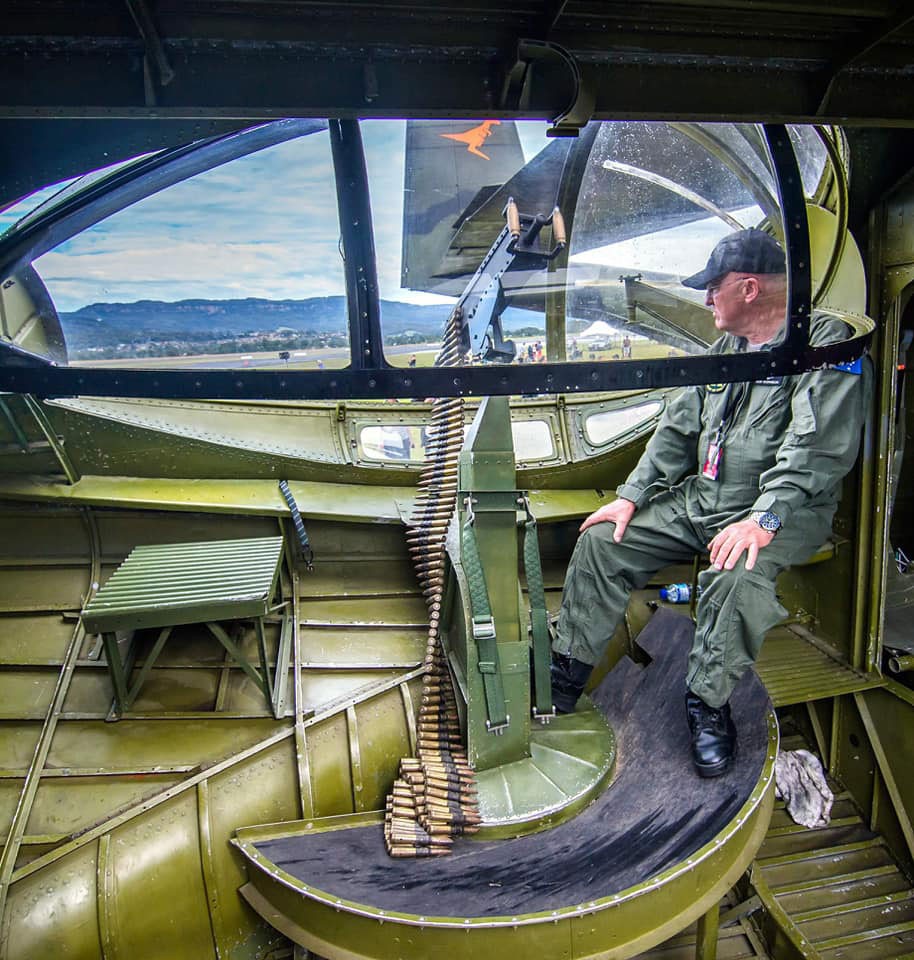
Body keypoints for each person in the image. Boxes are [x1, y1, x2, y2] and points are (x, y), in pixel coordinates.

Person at [550, 228, 870, 777]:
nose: (705, 300)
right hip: (704, 499)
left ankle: (707, 703)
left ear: (748, 288)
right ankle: (565, 675)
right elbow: (676, 433)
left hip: (785, 512)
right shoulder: (723, 352)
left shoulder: (822, 343)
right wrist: (630, 497)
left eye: (712, 288)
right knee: (603, 541)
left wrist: (763, 520)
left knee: (736, 574)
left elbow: (815, 452)